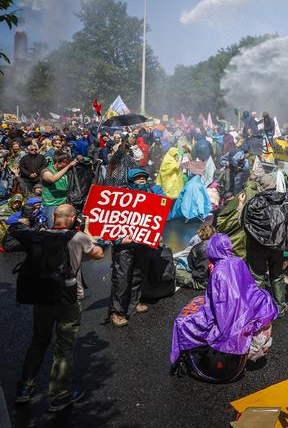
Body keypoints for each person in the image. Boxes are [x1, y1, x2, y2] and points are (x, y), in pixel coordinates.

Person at [13, 204, 105, 412]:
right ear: (72, 218)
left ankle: (24, 389)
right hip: (68, 298)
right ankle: (59, 395)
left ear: (54, 216)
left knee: (38, 341)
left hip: (42, 296)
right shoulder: (77, 237)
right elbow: (98, 254)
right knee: (63, 348)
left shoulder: (41, 235)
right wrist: (88, 233)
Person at [170, 234, 278, 380]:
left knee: (182, 323)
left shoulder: (218, 271)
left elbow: (216, 307)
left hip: (232, 320)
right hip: (251, 311)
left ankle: (182, 360)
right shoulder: (238, 261)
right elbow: (248, 288)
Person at [108, 169, 165, 327]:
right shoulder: (122, 197)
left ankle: (134, 303)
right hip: (124, 245)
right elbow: (110, 220)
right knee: (122, 279)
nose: (141, 180)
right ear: (131, 180)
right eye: (138, 178)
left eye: (143, 177)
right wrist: (118, 239)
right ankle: (117, 312)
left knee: (138, 275)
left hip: (142, 243)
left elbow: (157, 214)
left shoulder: (151, 193)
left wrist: (156, 233)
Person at [243, 177, 288, 317]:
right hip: (278, 248)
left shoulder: (253, 203)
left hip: (257, 248)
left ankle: (258, 308)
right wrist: (283, 243)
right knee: (277, 276)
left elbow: (245, 223)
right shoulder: (284, 201)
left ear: (261, 187)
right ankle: (280, 306)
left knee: (257, 277)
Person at [175, 224, 217, 290]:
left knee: (175, 272)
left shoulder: (199, 248)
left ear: (201, 233)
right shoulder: (217, 244)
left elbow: (200, 275)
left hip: (205, 282)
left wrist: (193, 272)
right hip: (215, 275)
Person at [40, 154, 77, 227]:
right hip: (51, 205)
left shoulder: (67, 171)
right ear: (58, 162)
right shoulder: (46, 171)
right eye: (65, 163)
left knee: (66, 226)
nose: (66, 165)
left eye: (68, 163)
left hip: (64, 203)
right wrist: (68, 166)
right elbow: (52, 179)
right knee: (53, 226)